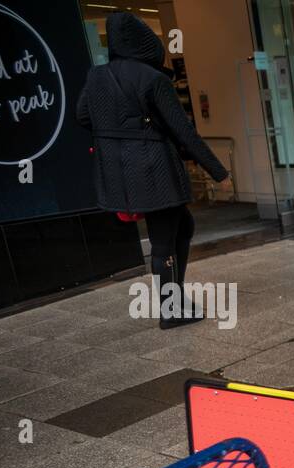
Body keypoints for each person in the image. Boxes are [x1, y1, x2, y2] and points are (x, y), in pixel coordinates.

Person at [75, 12, 228, 329]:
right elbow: (185, 132)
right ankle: (171, 310)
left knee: (182, 226)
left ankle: (176, 299)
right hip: (153, 168)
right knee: (163, 240)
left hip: (119, 171)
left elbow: (82, 116)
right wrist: (219, 172)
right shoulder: (153, 78)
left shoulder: (96, 76)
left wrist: (117, 136)